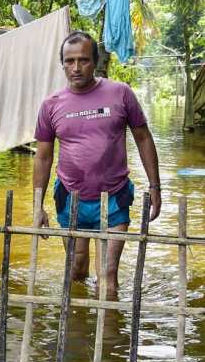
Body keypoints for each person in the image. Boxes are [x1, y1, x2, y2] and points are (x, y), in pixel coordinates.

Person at [33, 31, 161, 297]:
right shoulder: (51, 105)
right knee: (77, 271)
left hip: (114, 197)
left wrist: (155, 186)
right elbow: (43, 156)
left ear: (96, 61)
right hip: (71, 197)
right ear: (63, 64)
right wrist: (38, 205)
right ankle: (77, 333)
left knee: (107, 276)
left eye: (83, 60)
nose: (76, 67)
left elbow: (143, 138)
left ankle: (110, 337)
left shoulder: (120, 93)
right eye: (69, 61)